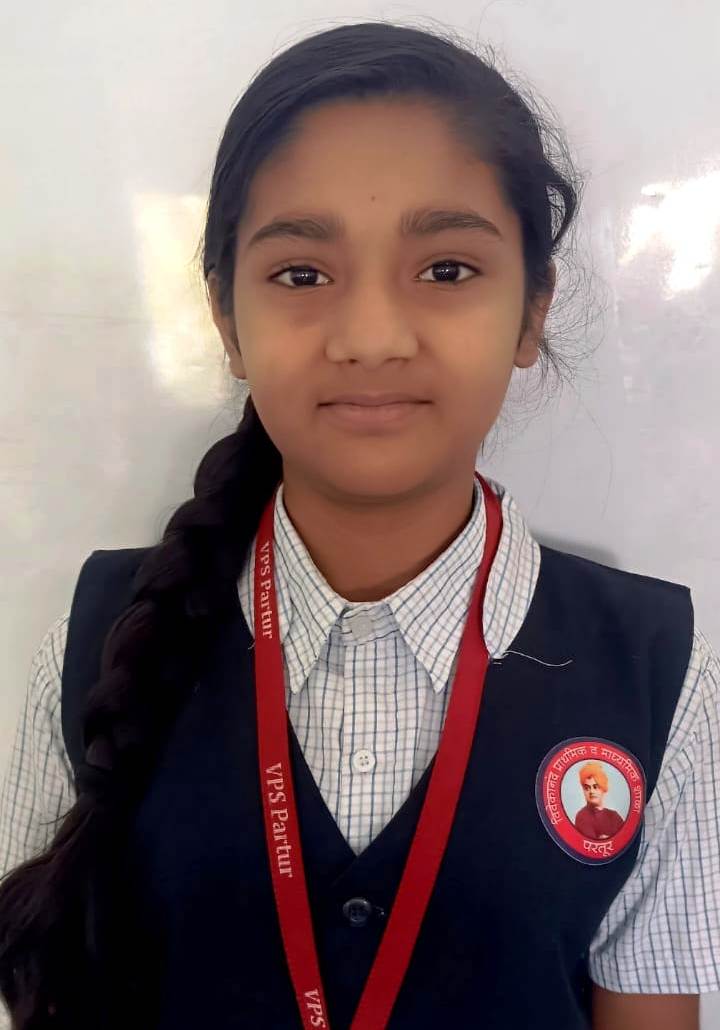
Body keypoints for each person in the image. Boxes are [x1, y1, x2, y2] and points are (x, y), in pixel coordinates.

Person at [0, 19, 718, 1030]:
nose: (372, 338)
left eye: (447, 270)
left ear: (532, 310)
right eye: (302, 274)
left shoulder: (656, 676)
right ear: (226, 318)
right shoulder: (95, 648)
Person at [574, 762, 625, 840]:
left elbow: (625, 839)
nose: (591, 791)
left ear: (603, 788)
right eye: (587, 788)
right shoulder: (582, 816)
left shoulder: (614, 816)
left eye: (595, 787)